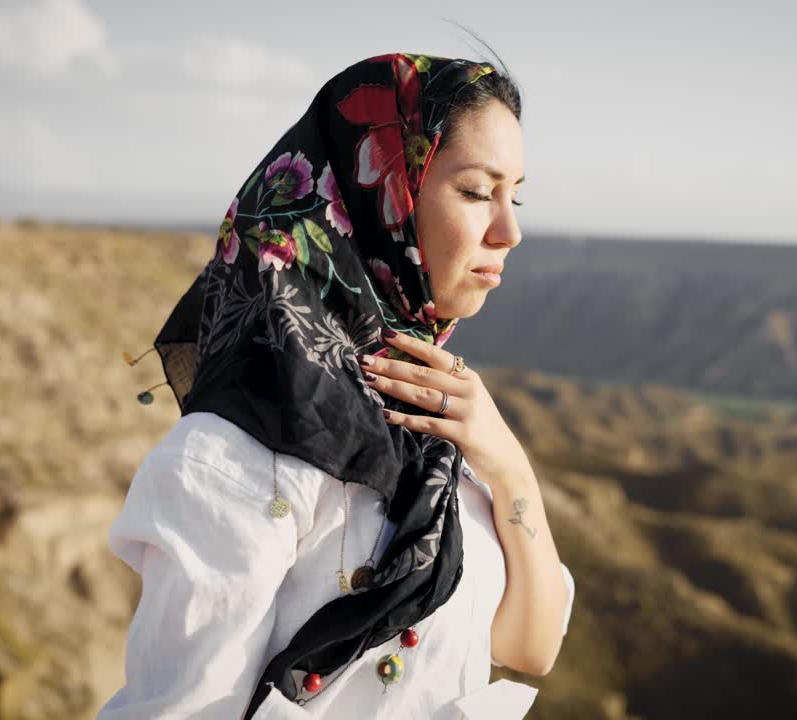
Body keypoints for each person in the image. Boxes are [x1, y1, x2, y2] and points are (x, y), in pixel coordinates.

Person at [98, 51, 576, 719]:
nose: (511, 231)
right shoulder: (235, 457)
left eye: (514, 194)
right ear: (380, 196)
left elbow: (531, 648)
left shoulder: (445, 429)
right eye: (476, 192)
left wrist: (512, 468)